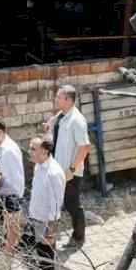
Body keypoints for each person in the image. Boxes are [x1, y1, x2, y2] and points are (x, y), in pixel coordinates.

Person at [46, 84, 91, 249]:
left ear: (68, 100)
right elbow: (58, 118)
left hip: (70, 172)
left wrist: (72, 169)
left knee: (72, 204)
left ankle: (79, 237)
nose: (56, 99)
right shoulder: (64, 114)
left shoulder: (77, 120)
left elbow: (84, 146)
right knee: (57, 202)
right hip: (59, 169)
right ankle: (50, 236)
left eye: (59, 97)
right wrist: (50, 123)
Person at [24, 137, 65, 270]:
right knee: (26, 251)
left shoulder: (54, 173)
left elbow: (56, 204)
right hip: (34, 218)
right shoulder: (38, 166)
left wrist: (50, 231)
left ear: (45, 152)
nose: (29, 152)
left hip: (46, 224)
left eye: (33, 149)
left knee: (47, 263)